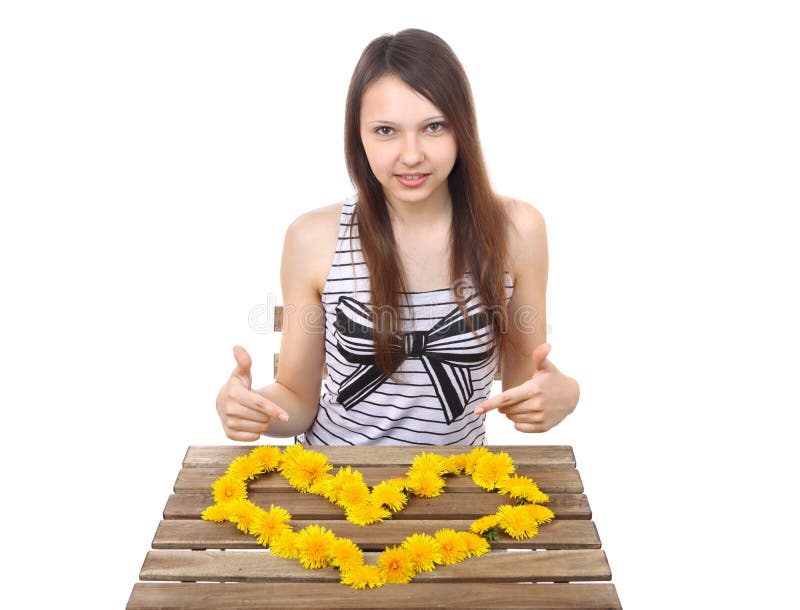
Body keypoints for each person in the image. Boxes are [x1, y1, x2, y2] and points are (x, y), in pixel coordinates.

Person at [216, 28, 580, 446]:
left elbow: (524, 387)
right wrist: (250, 407)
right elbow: (297, 400)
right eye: (386, 131)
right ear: (359, 136)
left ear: (463, 128)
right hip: (334, 479)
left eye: (434, 126)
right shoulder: (312, 239)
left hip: (457, 487)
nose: (411, 154)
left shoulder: (517, 231)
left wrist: (564, 393)